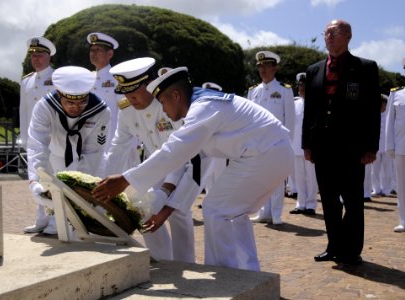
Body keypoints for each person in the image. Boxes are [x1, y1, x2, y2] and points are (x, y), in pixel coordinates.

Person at [93, 66, 294, 271]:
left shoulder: (203, 108)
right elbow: (191, 160)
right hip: (268, 152)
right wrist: (166, 193)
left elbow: (174, 151)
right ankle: (249, 272)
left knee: (215, 210)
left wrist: (126, 180)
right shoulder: (201, 106)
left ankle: (226, 276)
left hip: (265, 154)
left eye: (163, 102)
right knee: (234, 214)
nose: (162, 110)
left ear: (177, 96)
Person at [103, 57, 198, 262]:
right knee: (144, 207)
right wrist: (102, 181)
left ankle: (185, 262)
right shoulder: (127, 110)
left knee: (178, 212)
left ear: (149, 86)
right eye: (126, 92)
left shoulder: (168, 103)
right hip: (154, 166)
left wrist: (167, 190)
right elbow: (118, 148)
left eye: (135, 93)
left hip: (185, 165)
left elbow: (179, 153)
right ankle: (162, 260)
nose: (130, 98)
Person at [302, 19, 380, 265]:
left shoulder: (365, 68)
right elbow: (309, 110)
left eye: (333, 32)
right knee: (328, 199)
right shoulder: (314, 70)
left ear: (348, 36)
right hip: (322, 146)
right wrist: (307, 143)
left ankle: (352, 249)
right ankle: (334, 246)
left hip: (352, 147)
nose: (328, 36)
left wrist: (371, 147)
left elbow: (371, 111)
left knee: (353, 199)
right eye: (326, 33)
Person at [26, 66, 110, 235]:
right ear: (59, 94)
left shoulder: (101, 110)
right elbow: (37, 145)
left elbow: (93, 152)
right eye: (70, 102)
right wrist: (35, 180)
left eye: (82, 102)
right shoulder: (44, 107)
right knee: (45, 190)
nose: (76, 108)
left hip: (89, 159)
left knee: (89, 207)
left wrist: (76, 186)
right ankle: (44, 221)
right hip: (54, 153)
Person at [247, 50, 295, 225]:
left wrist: (288, 142)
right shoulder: (253, 91)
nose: (263, 70)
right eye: (260, 67)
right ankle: (263, 212)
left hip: (277, 142)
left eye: (267, 66)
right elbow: (249, 119)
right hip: (258, 142)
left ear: (275, 68)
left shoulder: (284, 90)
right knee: (260, 179)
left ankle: (276, 214)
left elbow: (290, 119)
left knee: (276, 179)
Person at [87, 32, 139, 171]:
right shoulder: (87, 79)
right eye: (92, 50)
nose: (93, 53)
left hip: (112, 141)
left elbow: (127, 113)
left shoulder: (118, 79)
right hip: (89, 142)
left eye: (98, 50)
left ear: (110, 53)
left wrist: (130, 143)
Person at [20, 36, 56, 234]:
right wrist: (26, 140)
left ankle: (55, 219)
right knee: (36, 178)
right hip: (34, 140)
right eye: (33, 55)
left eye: (40, 54)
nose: (36, 58)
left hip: (52, 139)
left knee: (52, 178)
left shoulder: (57, 77)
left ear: (49, 56)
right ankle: (41, 218)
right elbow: (23, 111)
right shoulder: (26, 81)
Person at [385, 53, 405, 232]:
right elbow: (390, 121)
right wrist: (389, 145)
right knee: (403, 186)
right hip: (402, 146)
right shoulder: (396, 94)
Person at [289, 73, 318, 215]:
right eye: (300, 85)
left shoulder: (316, 103)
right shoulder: (294, 104)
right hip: (295, 145)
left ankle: (311, 204)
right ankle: (300, 204)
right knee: (298, 177)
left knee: (311, 176)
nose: (302, 88)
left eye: (305, 85)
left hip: (311, 146)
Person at [371, 95, 394, 198]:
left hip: (386, 147)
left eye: (384, 104)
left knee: (387, 170)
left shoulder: (390, 115)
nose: (382, 107)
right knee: (374, 170)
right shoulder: (373, 115)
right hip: (375, 147)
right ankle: (376, 189)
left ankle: (387, 189)